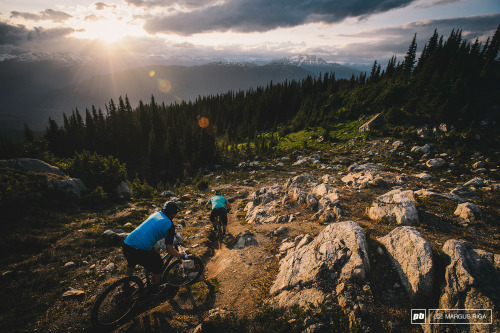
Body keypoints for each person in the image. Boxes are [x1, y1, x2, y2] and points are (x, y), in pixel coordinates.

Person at [122, 201, 188, 293]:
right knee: (158, 265)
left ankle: (125, 285)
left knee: (132, 261)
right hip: (140, 249)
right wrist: (181, 255)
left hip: (127, 244)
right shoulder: (170, 225)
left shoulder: (157, 213)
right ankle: (154, 290)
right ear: (173, 214)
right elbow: (169, 250)